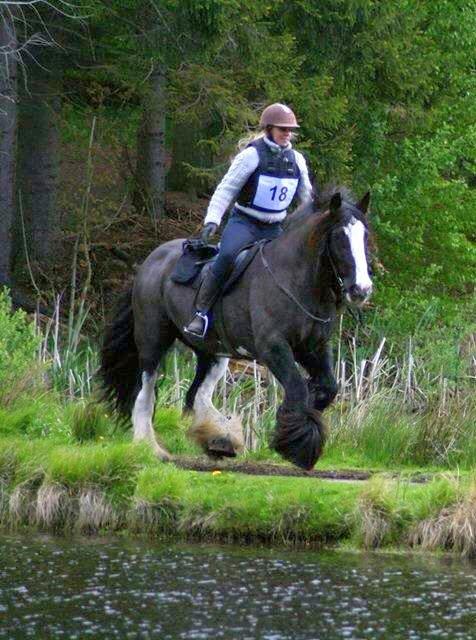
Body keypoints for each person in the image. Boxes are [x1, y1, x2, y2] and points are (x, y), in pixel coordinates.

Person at [184, 102, 314, 338]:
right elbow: (226, 189)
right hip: (246, 224)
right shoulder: (251, 156)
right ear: (269, 129)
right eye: (282, 129)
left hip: (275, 228)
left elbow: (307, 198)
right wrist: (212, 220)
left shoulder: (297, 160)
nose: (287, 133)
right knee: (226, 256)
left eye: (289, 129)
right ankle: (201, 313)